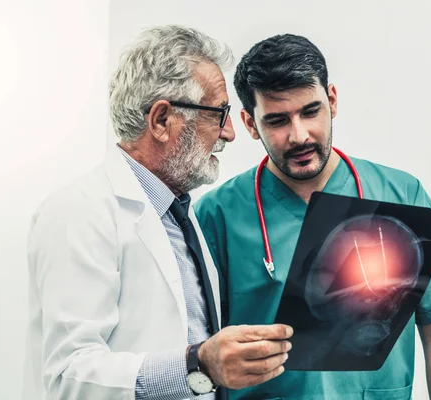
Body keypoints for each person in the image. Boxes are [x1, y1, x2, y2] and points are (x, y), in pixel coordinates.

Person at [194, 33, 431, 399]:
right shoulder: (216, 215)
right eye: (277, 120)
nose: (298, 136)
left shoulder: (400, 194)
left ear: (332, 101)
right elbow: (198, 345)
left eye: (310, 111)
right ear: (251, 124)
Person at [23, 25, 292, 400]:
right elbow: (69, 374)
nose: (229, 133)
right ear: (162, 121)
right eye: (219, 113)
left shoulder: (179, 214)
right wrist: (199, 365)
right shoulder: (79, 212)